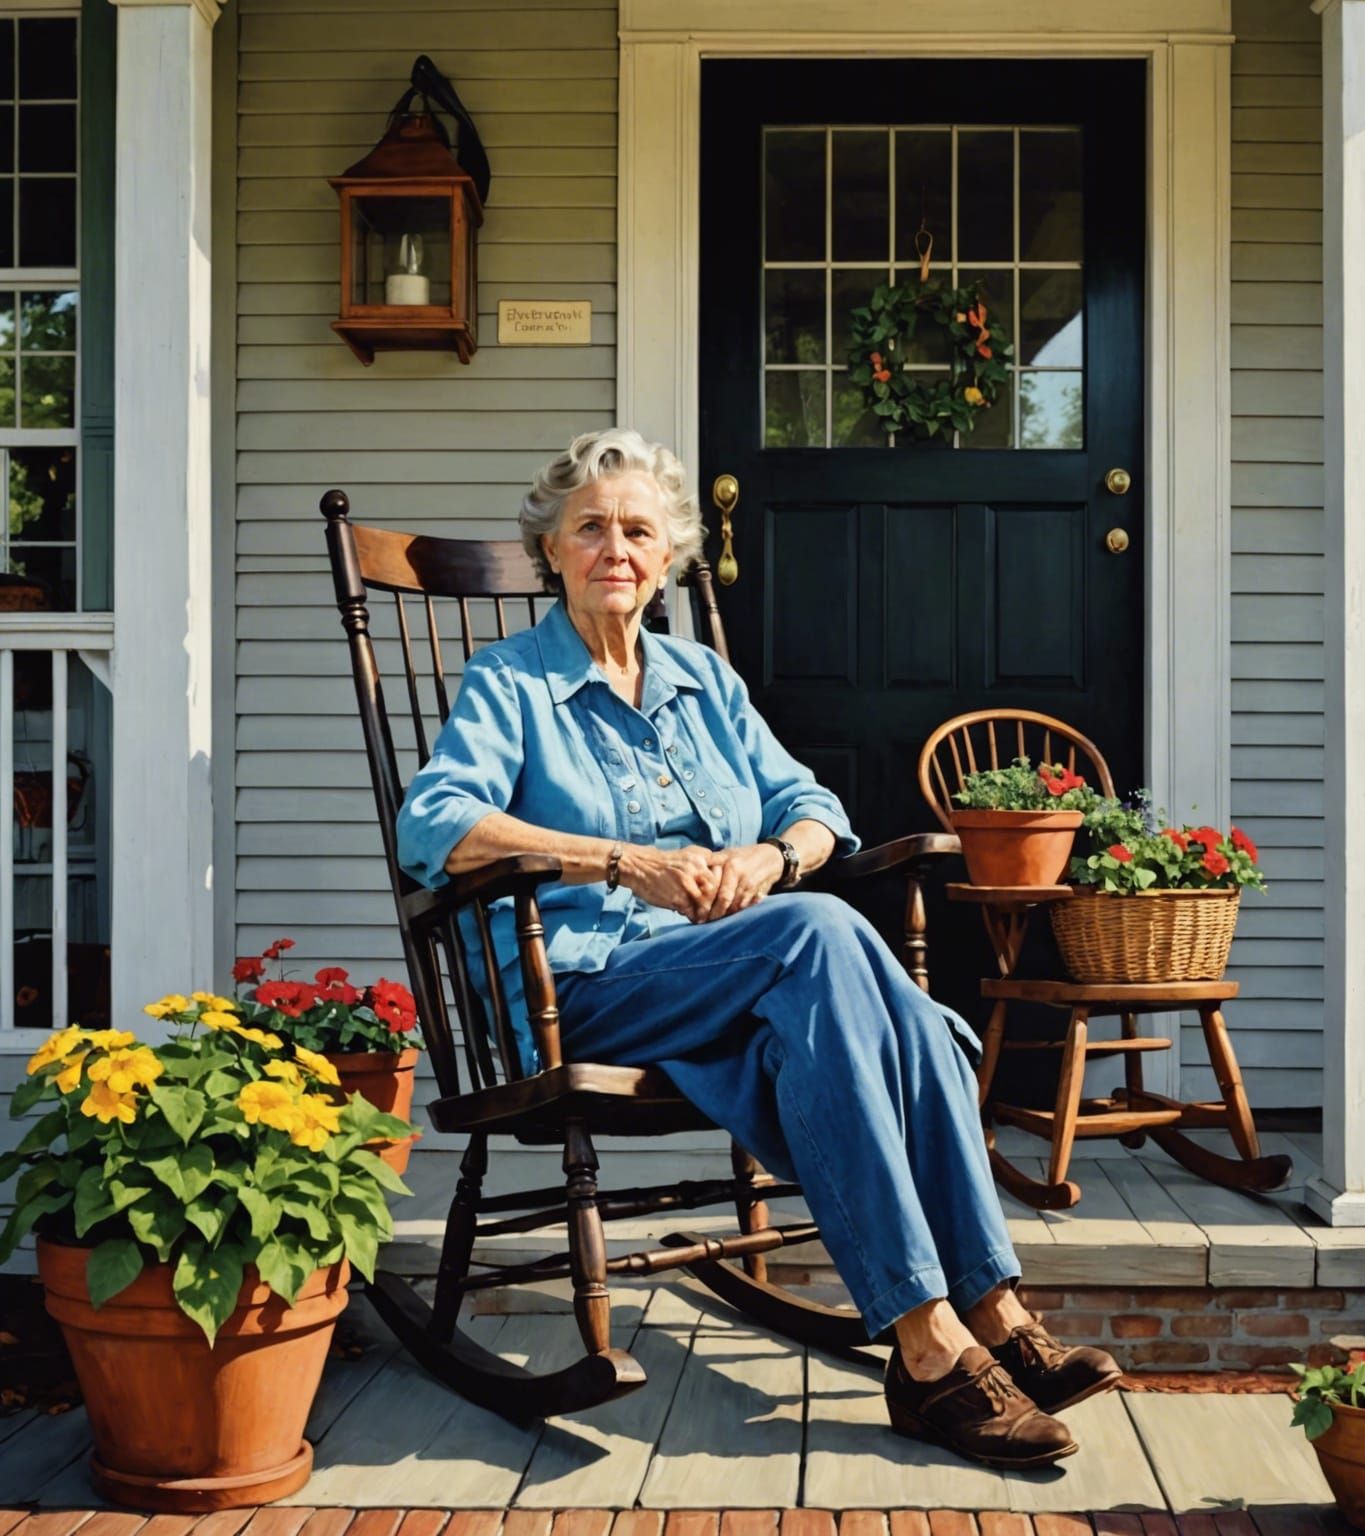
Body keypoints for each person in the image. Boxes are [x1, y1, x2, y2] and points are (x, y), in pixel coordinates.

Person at [396, 428, 1122, 1469]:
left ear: (670, 556)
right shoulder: (510, 684)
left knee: (856, 1005)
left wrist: (775, 857)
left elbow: (816, 809)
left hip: (740, 991)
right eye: (590, 528)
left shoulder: (702, 681)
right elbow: (436, 827)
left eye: (639, 530)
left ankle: (978, 1324)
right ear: (551, 549)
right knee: (832, 942)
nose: (616, 548)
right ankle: (942, 1333)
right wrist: (618, 862)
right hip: (588, 990)